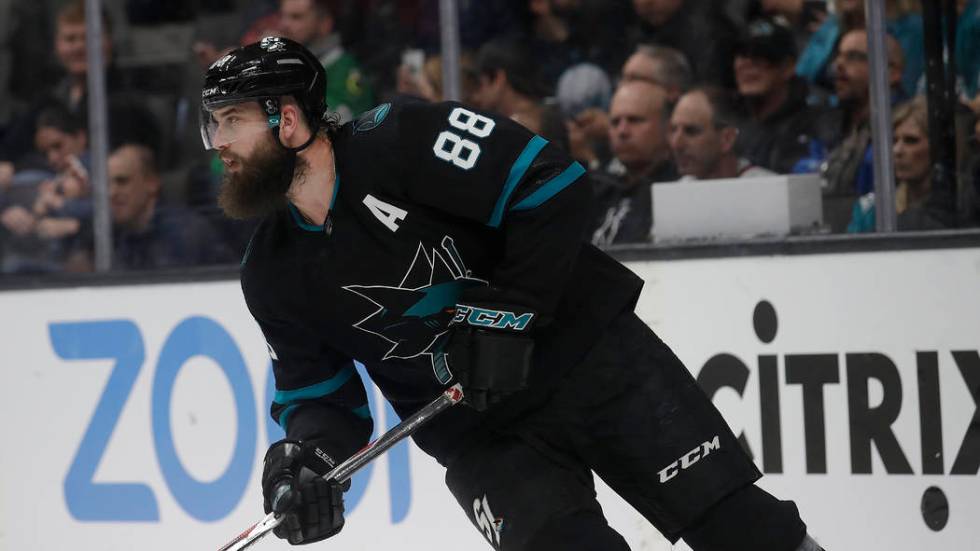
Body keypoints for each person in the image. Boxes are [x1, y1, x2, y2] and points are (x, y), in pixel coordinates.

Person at [200, 36, 825, 551]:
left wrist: (505, 318)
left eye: (232, 120)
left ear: (287, 120)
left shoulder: (406, 139)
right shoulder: (273, 272)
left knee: (747, 532)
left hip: (589, 361)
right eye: (212, 125)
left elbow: (554, 187)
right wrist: (305, 460)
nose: (217, 142)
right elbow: (324, 400)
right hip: (480, 434)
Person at [69, 143, 234, 271]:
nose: (111, 192)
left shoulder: (183, 233)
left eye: (122, 181)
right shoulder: (114, 233)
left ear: (152, 183)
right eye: (107, 184)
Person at [821, 28, 906, 232]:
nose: (838, 65)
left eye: (854, 57)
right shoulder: (832, 124)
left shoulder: (899, 132)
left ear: (892, 72)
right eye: (838, 56)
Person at [734, 17, 838, 174]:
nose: (747, 64)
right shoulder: (728, 122)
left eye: (761, 55)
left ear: (788, 66)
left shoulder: (819, 124)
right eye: (741, 54)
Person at [589, 81, 676, 246]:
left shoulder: (678, 192)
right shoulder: (600, 191)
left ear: (668, 128)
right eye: (615, 122)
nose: (622, 131)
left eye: (635, 120)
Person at [278, 0, 374, 123]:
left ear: (325, 23)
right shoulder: (290, 63)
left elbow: (341, 127)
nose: (284, 24)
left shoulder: (345, 70)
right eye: (282, 16)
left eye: (296, 17)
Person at [470, 39, 568, 149]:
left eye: (480, 85)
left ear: (498, 78)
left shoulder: (517, 127)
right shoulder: (549, 112)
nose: (475, 97)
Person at [669, 87, 776, 180]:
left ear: (727, 139)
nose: (676, 144)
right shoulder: (674, 194)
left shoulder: (773, 190)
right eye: (673, 130)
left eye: (691, 131)